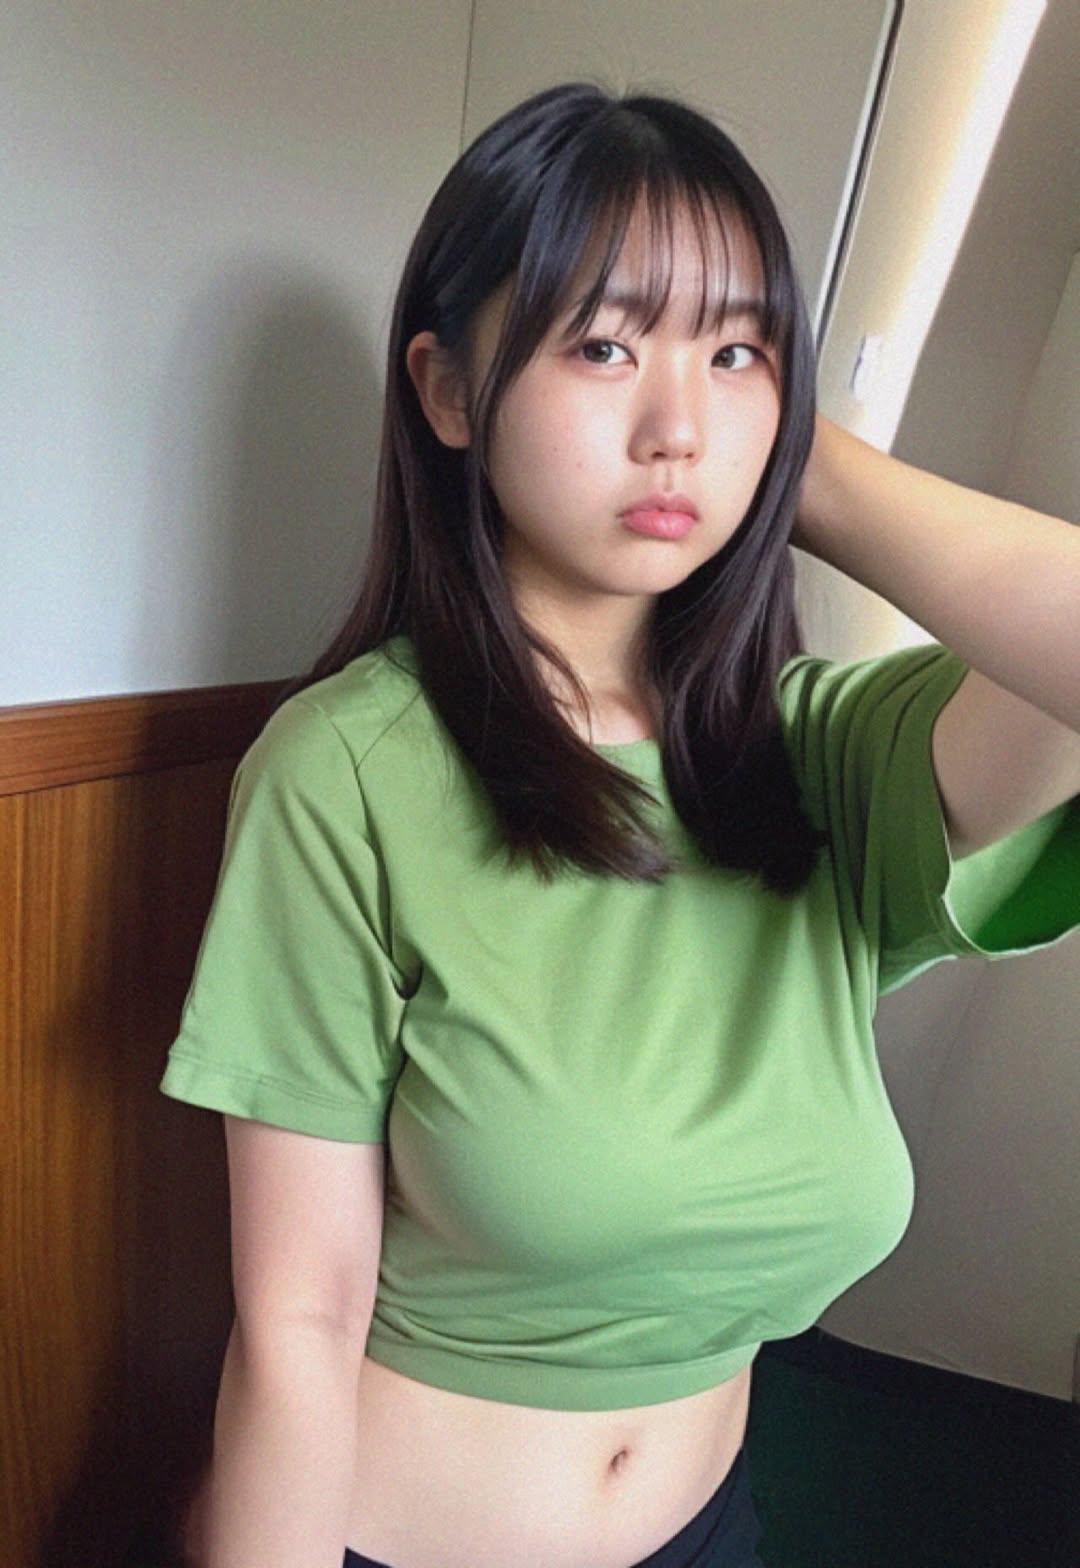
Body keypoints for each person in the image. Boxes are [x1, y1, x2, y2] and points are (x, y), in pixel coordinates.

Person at [159, 80, 1080, 1568]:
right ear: (450, 393)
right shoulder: (345, 772)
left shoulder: (819, 755)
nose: (677, 426)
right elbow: (299, 1323)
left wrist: (803, 471)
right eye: (603, 344)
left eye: (735, 350)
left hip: (710, 1530)